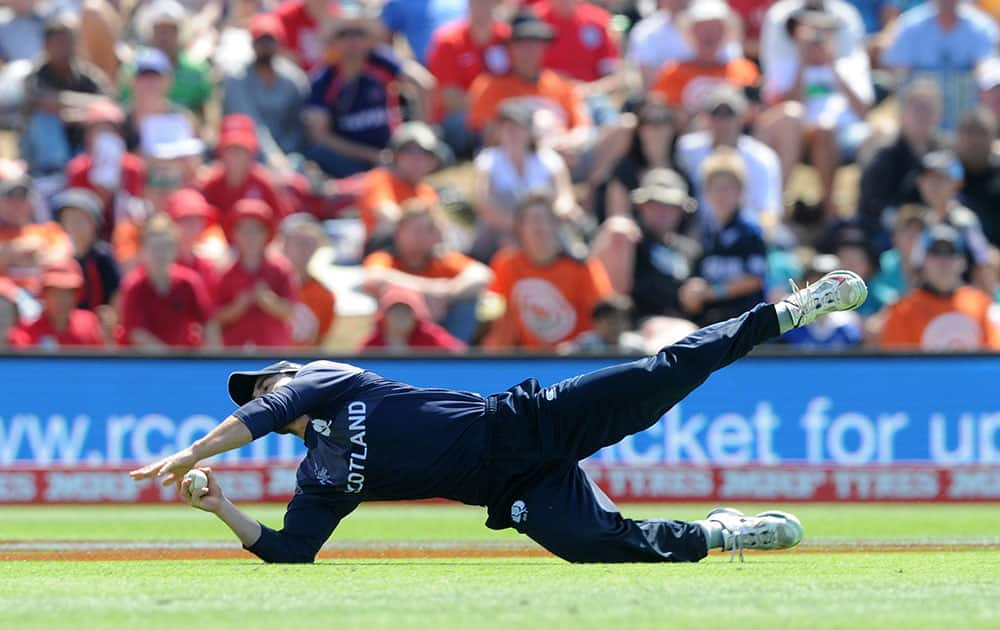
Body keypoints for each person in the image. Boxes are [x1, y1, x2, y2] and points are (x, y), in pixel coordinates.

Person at [128, 269, 872, 564]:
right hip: (504, 486)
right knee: (595, 547)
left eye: (265, 380)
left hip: (518, 424)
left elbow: (270, 411)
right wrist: (221, 503)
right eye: (255, 387)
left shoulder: (321, 377)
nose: (265, 389)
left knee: (659, 377)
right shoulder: (317, 474)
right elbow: (291, 551)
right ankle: (723, 532)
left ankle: (788, 309)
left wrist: (194, 454)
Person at [302, 9, 434, 177]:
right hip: (350, 158)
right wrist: (372, 156)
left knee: (438, 153)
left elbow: (424, 83)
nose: (352, 40)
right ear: (333, 42)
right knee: (318, 155)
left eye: (359, 33)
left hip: (394, 150)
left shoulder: (382, 61)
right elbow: (320, 135)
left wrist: (419, 133)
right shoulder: (323, 79)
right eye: (344, 34)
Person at [484, 193, 613, 350]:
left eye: (543, 220)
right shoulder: (507, 264)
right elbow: (499, 317)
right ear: (519, 228)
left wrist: (576, 347)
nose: (537, 227)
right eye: (530, 221)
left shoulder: (582, 267)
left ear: (556, 225)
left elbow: (608, 321)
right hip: (528, 360)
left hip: (577, 359)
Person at [364, 199, 492, 342]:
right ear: (398, 232)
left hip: (442, 334)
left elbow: (481, 274)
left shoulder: (443, 259)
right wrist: (428, 292)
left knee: (467, 302)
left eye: (429, 230)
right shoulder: (385, 258)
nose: (422, 236)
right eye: (415, 230)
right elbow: (374, 278)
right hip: (401, 343)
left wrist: (448, 293)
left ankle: (454, 358)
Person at [471, 101, 577, 261]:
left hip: (543, 227)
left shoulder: (549, 159)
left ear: (529, 131)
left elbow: (565, 198)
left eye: (517, 126)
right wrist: (519, 226)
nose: (512, 132)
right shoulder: (488, 159)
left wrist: (544, 222)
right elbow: (483, 202)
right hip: (504, 229)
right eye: (506, 126)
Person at [591, 168, 701, 321]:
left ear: (681, 211)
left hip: (681, 328)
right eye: (655, 204)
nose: (663, 212)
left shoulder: (690, 250)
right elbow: (605, 288)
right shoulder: (629, 241)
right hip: (635, 328)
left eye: (671, 206)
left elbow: (697, 301)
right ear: (641, 207)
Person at [679, 149, 768, 326]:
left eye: (728, 188)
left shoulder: (750, 230)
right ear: (705, 192)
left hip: (745, 321)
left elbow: (755, 279)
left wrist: (712, 292)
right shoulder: (706, 231)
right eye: (715, 188)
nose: (721, 195)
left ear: (740, 191)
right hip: (712, 321)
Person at [676, 86, 783, 233]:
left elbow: (769, 213)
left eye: (729, 114)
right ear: (705, 118)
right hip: (698, 236)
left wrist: (750, 241)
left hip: (746, 236)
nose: (722, 121)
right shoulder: (686, 150)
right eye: (716, 114)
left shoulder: (762, 157)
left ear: (742, 117)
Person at [882, 0, 998, 130]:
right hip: (920, 119)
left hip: (966, 117)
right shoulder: (910, 24)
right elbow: (897, 70)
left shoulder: (981, 26)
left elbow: (986, 72)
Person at [880, 224, 1000, 349]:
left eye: (950, 253)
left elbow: (993, 356)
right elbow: (896, 364)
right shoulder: (902, 310)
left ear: (962, 262)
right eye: (935, 253)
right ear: (922, 261)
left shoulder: (982, 304)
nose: (943, 262)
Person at [21, 15, 110, 176]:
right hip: (38, 151)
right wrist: (83, 108)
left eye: (68, 42)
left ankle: (91, 174)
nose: (64, 48)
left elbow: (106, 103)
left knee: (102, 124)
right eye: (58, 43)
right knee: (45, 119)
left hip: (78, 139)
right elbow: (44, 102)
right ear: (46, 46)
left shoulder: (86, 74)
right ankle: (53, 173)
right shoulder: (35, 75)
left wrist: (74, 113)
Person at [857, 80, 943, 246]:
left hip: (937, 230)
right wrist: (902, 220)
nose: (922, 115)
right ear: (902, 114)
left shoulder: (944, 152)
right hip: (889, 233)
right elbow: (870, 203)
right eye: (917, 109)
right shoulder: (885, 155)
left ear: (938, 115)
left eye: (928, 109)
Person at [222, 13, 310, 172]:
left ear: (280, 43)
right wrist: (273, 157)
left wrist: (285, 155)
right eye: (260, 40)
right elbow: (250, 122)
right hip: (245, 154)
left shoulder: (294, 79)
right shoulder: (237, 79)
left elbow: (298, 126)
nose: (264, 46)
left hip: (288, 156)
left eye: (270, 40)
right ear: (252, 43)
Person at [424, 0, 510, 157]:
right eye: (478, 3)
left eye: (488, 3)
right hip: (458, 116)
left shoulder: (506, 37)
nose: (483, 7)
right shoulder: (448, 41)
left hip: (499, 113)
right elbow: (448, 97)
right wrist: (488, 111)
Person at [118, 213, 216, 349]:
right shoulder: (133, 286)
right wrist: (171, 362)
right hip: (142, 364)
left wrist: (212, 361)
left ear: (175, 250)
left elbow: (209, 324)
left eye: (166, 247)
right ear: (142, 252)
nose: (161, 254)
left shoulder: (189, 283)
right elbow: (137, 334)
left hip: (182, 362)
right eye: (155, 248)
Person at [650, 1, 759, 117]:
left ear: (726, 32)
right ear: (690, 32)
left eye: (715, 28)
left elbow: (753, 114)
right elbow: (663, 116)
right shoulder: (672, 73)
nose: (709, 35)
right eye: (702, 28)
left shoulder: (745, 71)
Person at [215, 199, 298, 348]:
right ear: (234, 233)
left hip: (272, 351)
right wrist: (237, 307)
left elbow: (290, 310)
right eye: (243, 230)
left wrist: (268, 300)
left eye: (256, 230)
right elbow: (214, 317)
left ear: (266, 233)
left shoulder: (281, 268)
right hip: (234, 352)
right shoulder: (223, 271)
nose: (250, 237)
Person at [65, 99, 147, 242]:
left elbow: (136, 210)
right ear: (88, 136)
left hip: (126, 239)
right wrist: (100, 194)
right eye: (98, 129)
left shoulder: (133, 167)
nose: (104, 135)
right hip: (90, 241)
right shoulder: (78, 168)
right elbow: (76, 214)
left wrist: (118, 189)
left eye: (109, 129)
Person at [198, 115, 292, 237]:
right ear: (221, 151)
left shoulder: (264, 182)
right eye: (230, 149)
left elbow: (281, 222)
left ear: (252, 151)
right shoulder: (210, 183)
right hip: (219, 250)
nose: (236, 155)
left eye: (241, 149)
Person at [354, 122, 443, 247]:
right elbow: (386, 214)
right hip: (385, 256)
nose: (416, 159)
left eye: (424, 153)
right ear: (395, 156)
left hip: (421, 258)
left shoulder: (427, 191)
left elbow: (439, 230)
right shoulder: (379, 179)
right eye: (409, 151)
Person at [122, 0, 212, 116]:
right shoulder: (134, 67)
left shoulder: (197, 71)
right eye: (160, 30)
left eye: (171, 30)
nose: (164, 37)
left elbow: (206, 113)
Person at [54, 188, 120, 312]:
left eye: (79, 219)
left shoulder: (103, 257)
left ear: (94, 224)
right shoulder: (64, 257)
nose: (74, 224)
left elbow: (116, 294)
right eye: (69, 219)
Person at [280, 213, 337, 347]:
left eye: (310, 243)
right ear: (284, 244)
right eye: (299, 242)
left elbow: (318, 343)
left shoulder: (324, 295)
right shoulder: (267, 286)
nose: (304, 249)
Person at [21, 258, 104, 348]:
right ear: (44, 294)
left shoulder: (90, 325)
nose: (62, 299)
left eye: (68, 293)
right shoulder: (26, 333)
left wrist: (108, 338)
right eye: (55, 293)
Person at [359, 286, 465, 352]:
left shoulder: (431, 335)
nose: (400, 317)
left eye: (406, 312)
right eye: (395, 311)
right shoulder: (373, 343)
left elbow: (459, 352)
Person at [379, 0, 465, 65]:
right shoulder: (398, 3)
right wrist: (404, 69)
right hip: (430, 73)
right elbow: (382, 44)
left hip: (470, 63)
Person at [557, 294, 646, 354]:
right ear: (597, 323)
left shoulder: (637, 345)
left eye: (622, 321)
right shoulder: (585, 345)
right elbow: (564, 351)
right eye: (611, 322)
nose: (617, 327)